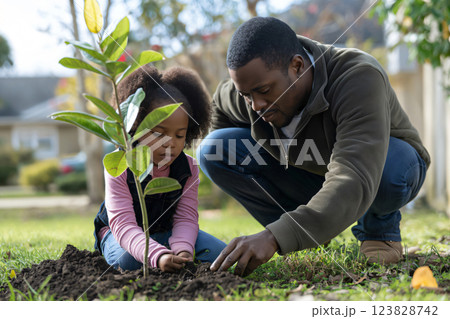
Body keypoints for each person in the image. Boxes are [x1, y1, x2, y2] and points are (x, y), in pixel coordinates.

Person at [197, 17, 429, 276]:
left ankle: (379, 228)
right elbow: (220, 108)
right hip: (314, 170)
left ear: (297, 66)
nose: (256, 105)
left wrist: (274, 237)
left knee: (390, 172)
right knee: (213, 149)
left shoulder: (357, 76)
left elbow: (354, 175)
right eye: (246, 95)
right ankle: (311, 228)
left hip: (380, 166)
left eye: (263, 90)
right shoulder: (251, 90)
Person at [94, 65, 227, 272]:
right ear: (135, 127)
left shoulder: (188, 168)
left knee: (221, 254)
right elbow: (123, 224)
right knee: (128, 262)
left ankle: (167, 252)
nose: (170, 143)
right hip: (122, 237)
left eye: (179, 135)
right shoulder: (119, 164)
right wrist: (157, 255)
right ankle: (156, 254)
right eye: (159, 133)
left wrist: (184, 250)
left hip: (167, 231)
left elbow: (186, 217)